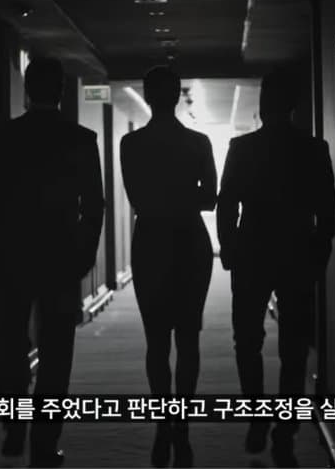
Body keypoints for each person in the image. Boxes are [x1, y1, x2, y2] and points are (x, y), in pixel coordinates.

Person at [0, 56, 105, 468]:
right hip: (60, 261)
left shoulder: (1, 139)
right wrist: (83, 255)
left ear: (27, 89)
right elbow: (93, 206)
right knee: (57, 353)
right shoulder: (81, 139)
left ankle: (14, 422)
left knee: (11, 343)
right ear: (61, 90)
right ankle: (44, 444)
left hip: (10, 260)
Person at [216, 69, 335, 466]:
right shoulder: (314, 148)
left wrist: (229, 248)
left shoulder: (242, 147)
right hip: (297, 253)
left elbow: (226, 202)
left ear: (263, 104)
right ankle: (286, 427)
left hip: (251, 253)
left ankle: (256, 416)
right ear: (294, 105)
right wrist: (318, 257)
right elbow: (328, 212)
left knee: (247, 340)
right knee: (294, 346)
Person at [120, 66, 217, 468]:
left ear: (147, 95)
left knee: (156, 341)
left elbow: (138, 199)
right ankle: (183, 426)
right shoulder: (198, 142)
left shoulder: (131, 144)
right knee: (189, 339)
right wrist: (183, 195)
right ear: (177, 96)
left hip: (151, 244)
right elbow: (210, 198)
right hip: (191, 243)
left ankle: (164, 422)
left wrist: (162, 197)